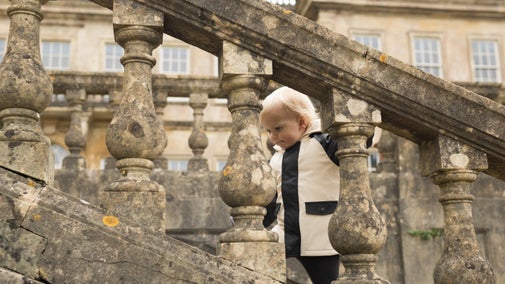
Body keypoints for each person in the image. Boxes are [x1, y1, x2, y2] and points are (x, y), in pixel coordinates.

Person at [259, 86, 341, 284]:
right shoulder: (277, 157)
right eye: (269, 131)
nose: (273, 137)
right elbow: (273, 195)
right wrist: (255, 221)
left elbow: (355, 140)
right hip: (285, 230)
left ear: (302, 122)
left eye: (278, 128)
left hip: (319, 236)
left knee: (326, 281)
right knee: (254, 260)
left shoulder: (324, 143)